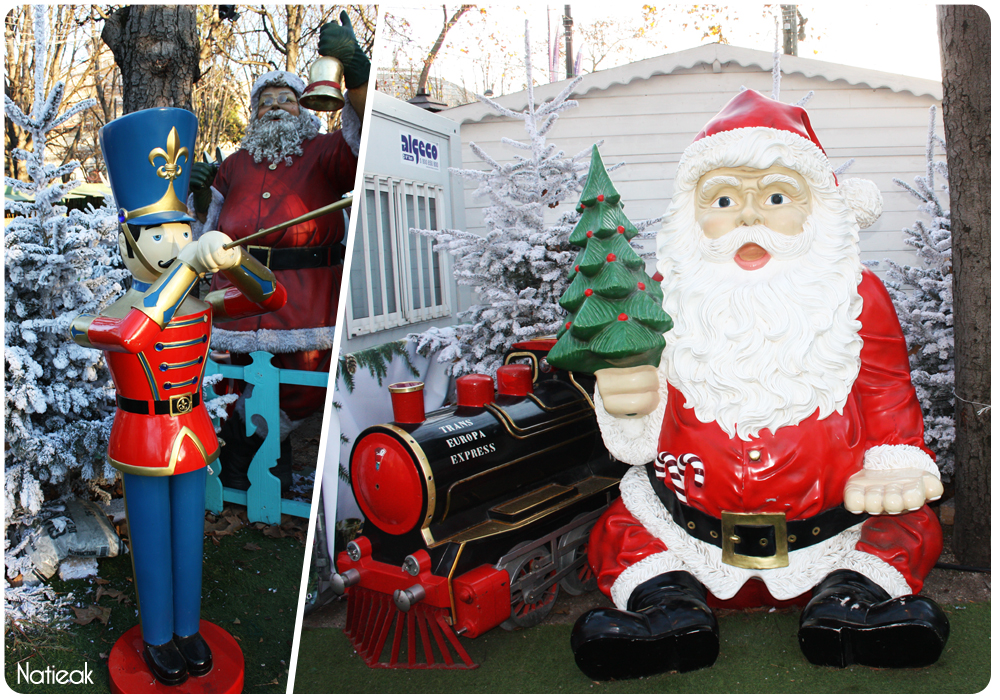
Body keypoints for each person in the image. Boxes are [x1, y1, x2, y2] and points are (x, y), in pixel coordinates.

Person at [569, 89, 949, 681]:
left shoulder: (856, 294)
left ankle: (851, 601)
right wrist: (626, 406)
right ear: (692, 214)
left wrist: (894, 462)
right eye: (722, 198)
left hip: (832, 531)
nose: (748, 217)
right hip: (688, 527)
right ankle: (668, 609)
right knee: (625, 528)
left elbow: (885, 390)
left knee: (903, 526)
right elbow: (636, 422)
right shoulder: (662, 296)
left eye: (775, 196)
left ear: (818, 208)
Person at [72, 108, 286, 685]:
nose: (175, 243)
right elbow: (138, 331)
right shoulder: (113, 314)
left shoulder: (195, 297)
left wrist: (235, 259)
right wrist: (189, 268)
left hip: (191, 429)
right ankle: (157, 637)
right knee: (150, 540)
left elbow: (271, 296)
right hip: (143, 436)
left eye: (182, 233)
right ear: (128, 240)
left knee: (189, 534)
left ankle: (187, 629)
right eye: (159, 233)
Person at [187, 12, 370, 489]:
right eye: (265, 101)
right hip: (235, 299)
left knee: (300, 387)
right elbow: (205, 228)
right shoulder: (235, 163)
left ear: (304, 106)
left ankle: (254, 464)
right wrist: (203, 195)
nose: (274, 107)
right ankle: (256, 476)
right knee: (232, 384)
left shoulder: (327, 151)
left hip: (304, 298)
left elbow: (365, 138)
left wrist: (356, 75)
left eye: (286, 100)